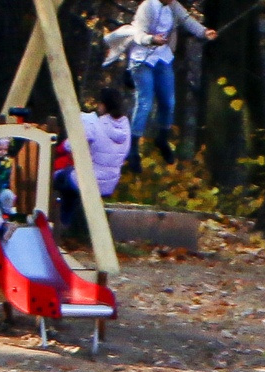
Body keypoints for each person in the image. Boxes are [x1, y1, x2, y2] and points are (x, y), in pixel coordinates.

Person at [126, 0, 213, 162]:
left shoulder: (173, 6)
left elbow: (187, 20)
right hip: (142, 59)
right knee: (145, 102)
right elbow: (137, 33)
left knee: (168, 102)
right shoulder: (147, 6)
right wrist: (151, 39)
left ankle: (162, 138)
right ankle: (133, 146)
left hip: (163, 57)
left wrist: (204, 32)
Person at [52, 86, 132, 247]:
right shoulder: (125, 126)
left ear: (103, 105)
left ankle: (60, 224)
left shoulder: (95, 124)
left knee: (59, 178)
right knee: (71, 187)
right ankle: (66, 225)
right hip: (110, 181)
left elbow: (70, 145)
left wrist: (62, 146)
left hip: (91, 179)